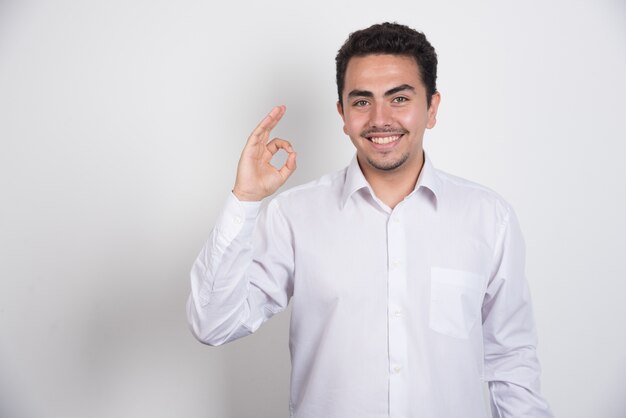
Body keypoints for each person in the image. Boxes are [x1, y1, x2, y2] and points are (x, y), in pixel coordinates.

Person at [187, 22, 554, 418]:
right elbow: (213, 325)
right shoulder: (294, 215)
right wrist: (244, 199)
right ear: (343, 114)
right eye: (362, 102)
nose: (380, 118)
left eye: (399, 99)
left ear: (431, 108)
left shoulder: (488, 218)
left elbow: (511, 359)